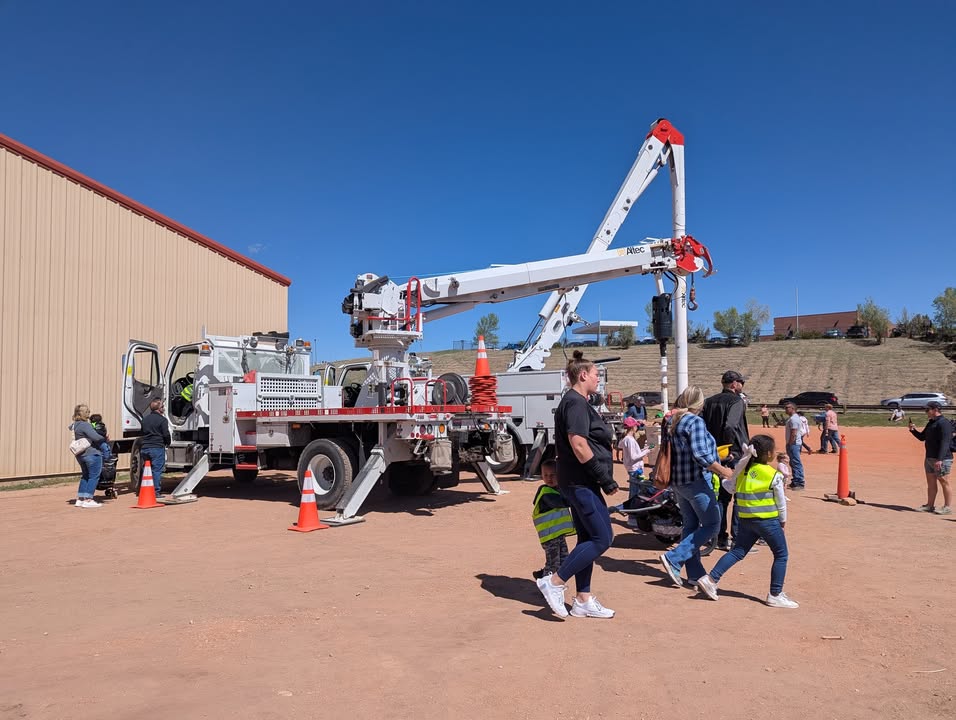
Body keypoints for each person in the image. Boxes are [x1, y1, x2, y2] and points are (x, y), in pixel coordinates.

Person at [536, 351, 619, 619]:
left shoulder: (576, 402)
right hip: (580, 482)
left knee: (587, 538)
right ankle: (555, 582)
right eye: (596, 375)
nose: (598, 379)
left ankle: (583, 599)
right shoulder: (575, 403)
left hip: (580, 482)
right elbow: (579, 444)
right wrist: (605, 478)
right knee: (602, 538)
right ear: (583, 375)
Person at [696, 435, 798, 608]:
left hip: (745, 520)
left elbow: (729, 487)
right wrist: (783, 522)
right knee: (781, 554)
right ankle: (775, 594)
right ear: (767, 454)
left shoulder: (742, 470)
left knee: (737, 552)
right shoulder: (773, 475)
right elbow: (781, 503)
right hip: (768, 521)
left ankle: (711, 579)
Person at [659, 386, 734, 590]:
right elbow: (702, 456)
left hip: (678, 482)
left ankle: (695, 574)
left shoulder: (671, 420)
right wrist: (724, 471)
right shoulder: (695, 421)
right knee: (712, 524)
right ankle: (674, 558)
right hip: (696, 481)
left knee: (691, 527)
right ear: (700, 403)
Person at [701, 370, 750, 551]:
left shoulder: (709, 401)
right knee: (739, 497)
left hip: (715, 455)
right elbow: (730, 425)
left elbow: (703, 426)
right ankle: (737, 540)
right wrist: (730, 446)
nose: (742, 386)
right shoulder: (736, 401)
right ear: (734, 384)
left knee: (721, 498)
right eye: (741, 382)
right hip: (734, 453)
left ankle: (719, 537)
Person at [531, 460, 575, 580]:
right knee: (553, 564)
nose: (549, 478)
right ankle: (546, 586)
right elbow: (562, 502)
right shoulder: (546, 492)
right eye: (545, 475)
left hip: (558, 535)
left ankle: (542, 575)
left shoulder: (558, 489)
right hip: (549, 538)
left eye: (553, 475)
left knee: (564, 560)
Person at [908, 401, 953, 515]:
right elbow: (922, 437)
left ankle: (947, 507)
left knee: (944, 482)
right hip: (929, 457)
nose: (926, 412)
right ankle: (930, 505)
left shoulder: (944, 423)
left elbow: (945, 442)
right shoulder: (931, 423)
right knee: (931, 483)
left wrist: (940, 459)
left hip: (941, 459)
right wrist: (913, 430)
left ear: (935, 410)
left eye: (927, 410)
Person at [70, 404, 107, 508]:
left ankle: (81, 499)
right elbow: (95, 437)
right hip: (91, 453)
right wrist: (104, 438)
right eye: (86, 411)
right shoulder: (85, 425)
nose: (88, 412)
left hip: (81, 454)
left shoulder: (75, 425)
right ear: (79, 413)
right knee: (94, 476)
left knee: (85, 475)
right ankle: (88, 499)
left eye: (88, 410)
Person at [140, 399, 172, 498]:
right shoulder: (162, 420)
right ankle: (156, 492)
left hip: (145, 447)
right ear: (159, 408)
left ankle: (144, 489)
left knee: (146, 470)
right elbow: (166, 434)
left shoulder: (145, 419)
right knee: (156, 470)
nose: (163, 408)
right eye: (162, 406)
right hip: (157, 447)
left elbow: (142, 432)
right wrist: (168, 442)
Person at [784, 402, 806, 490]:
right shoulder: (792, 418)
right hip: (794, 444)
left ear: (793, 408)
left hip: (794, 444)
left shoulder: (794, 419)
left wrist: (790, 443)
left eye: (787, 408)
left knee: (796, 462)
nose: (785, 409)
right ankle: (795, 481)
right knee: (793, 462)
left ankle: (799, 482)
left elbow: (794, 432)